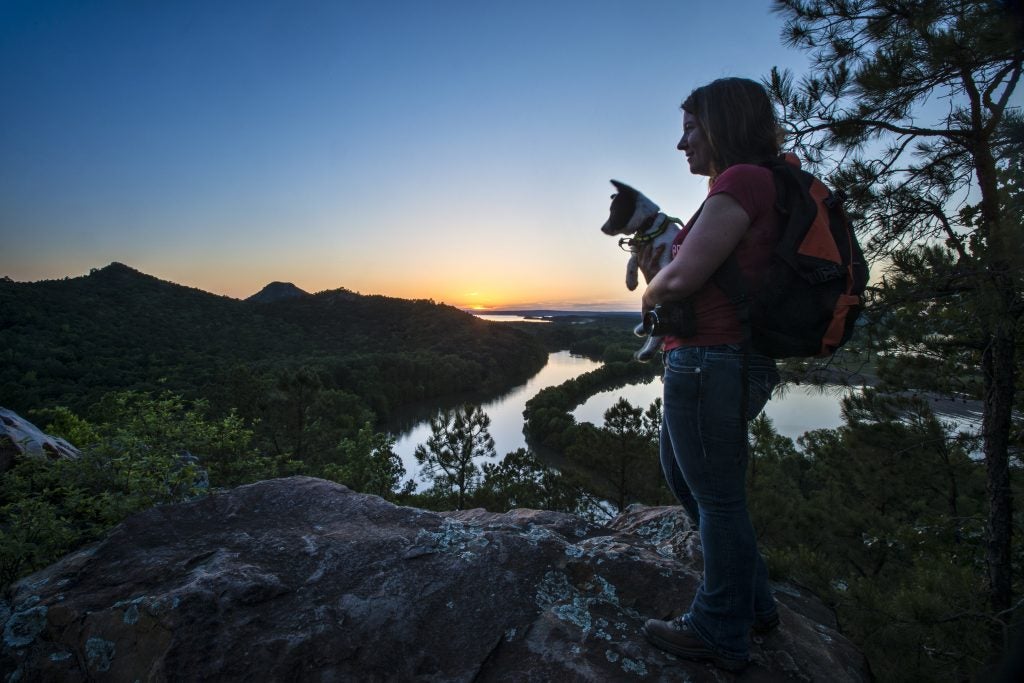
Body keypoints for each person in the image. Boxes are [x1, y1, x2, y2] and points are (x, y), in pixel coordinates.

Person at [638, 77, 783, 672]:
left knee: (718, 500)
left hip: (712, 358)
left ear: (721, 126)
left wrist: (651, 290)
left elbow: (680, 281)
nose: (682, 144)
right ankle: (755, 603)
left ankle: (719, 627)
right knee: (687, 481)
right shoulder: (750, 184)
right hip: (706, 358)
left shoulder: (741, 180)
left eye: (691, 129)